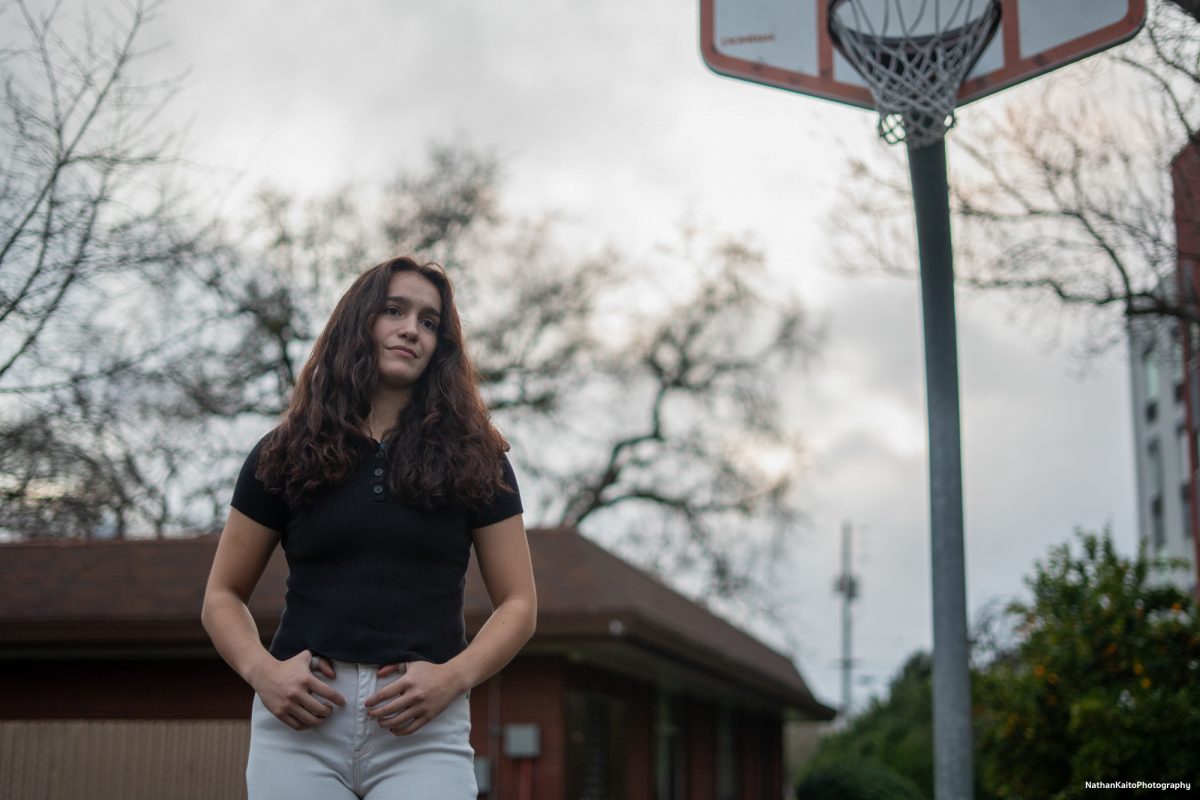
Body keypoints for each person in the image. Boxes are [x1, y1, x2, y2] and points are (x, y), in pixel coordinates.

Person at [202, 256, 537, 799]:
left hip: (424, 730)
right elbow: (221, 595)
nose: (412, 329)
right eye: (394, 311)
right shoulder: (282, 451)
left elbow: (520, 604)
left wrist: (452, 677)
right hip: (300, 728)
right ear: (360, 322)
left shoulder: (479, 459)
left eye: (430, 322)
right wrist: (262, 672)